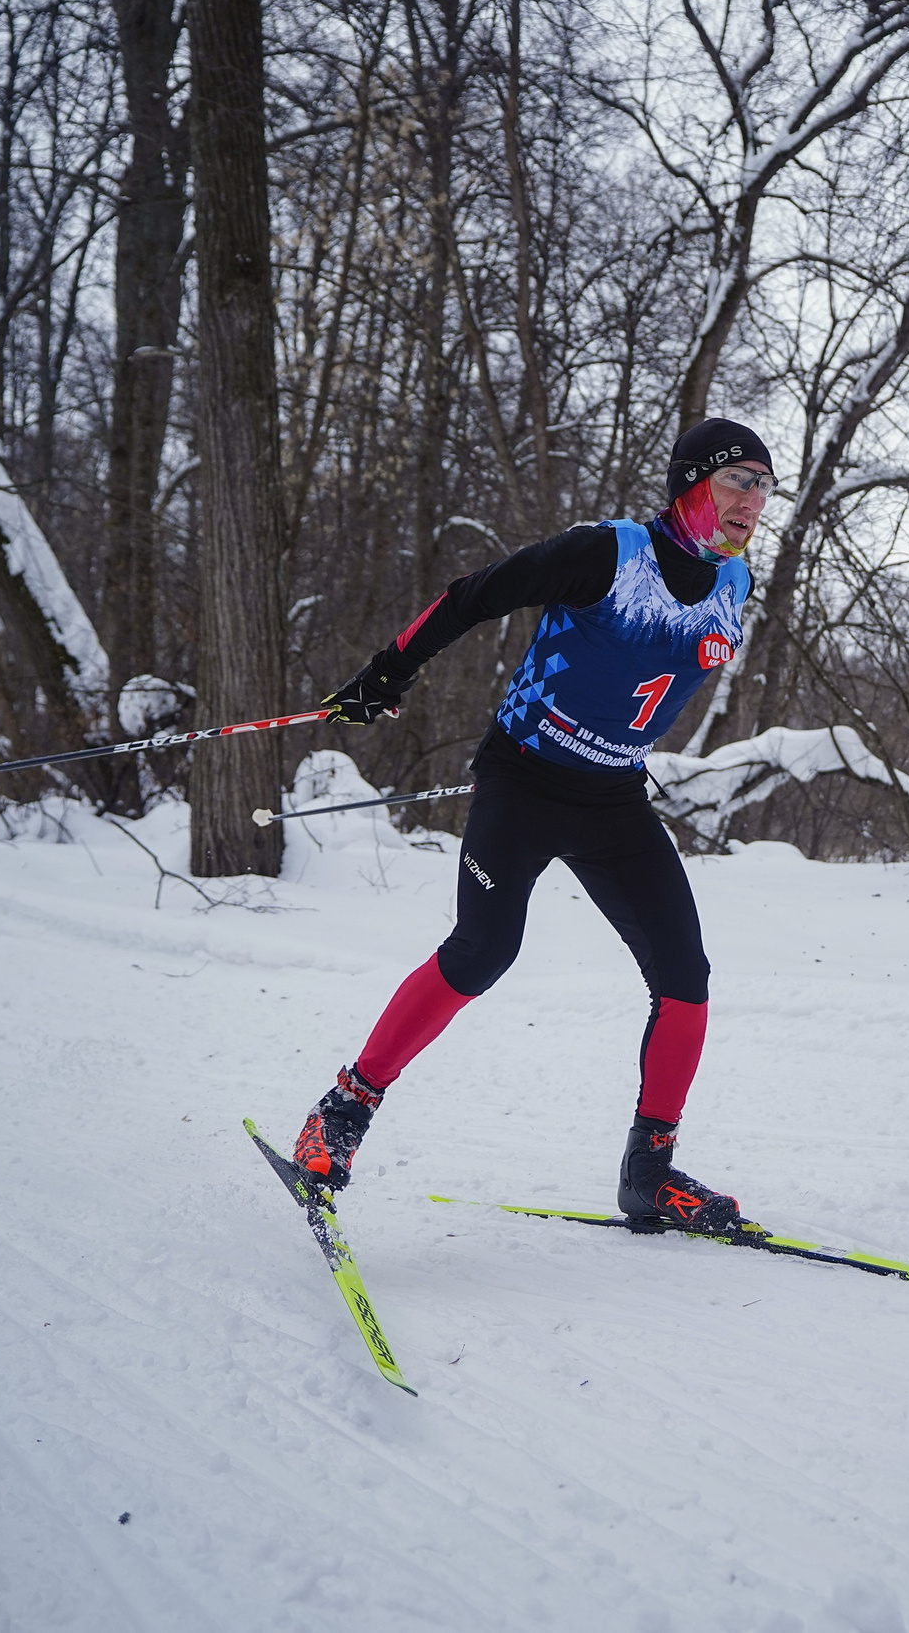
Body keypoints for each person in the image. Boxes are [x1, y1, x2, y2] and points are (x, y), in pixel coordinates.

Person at [292, 418, 774, 1233]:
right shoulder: (606, 553)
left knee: (684, 974)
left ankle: (649, 1172)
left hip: (613, 798)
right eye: (739, 479)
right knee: (482, 951)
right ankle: (342, 1109)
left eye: (764, 486)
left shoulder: (736, 584)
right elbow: (473, 595)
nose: (753, 500)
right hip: (523, 780)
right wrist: (388, 671)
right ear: (691, 482)